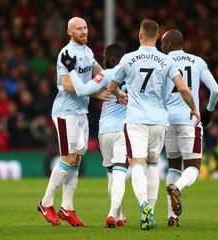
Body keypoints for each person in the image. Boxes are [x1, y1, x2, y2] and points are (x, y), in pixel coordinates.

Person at [107, 19, 200, 230]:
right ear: (157, 38)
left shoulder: (128, 59)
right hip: (160, 121)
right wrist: (193, 108)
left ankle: (143, 206)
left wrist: (120, 93)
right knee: (152, 165)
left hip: (136, 120)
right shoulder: (166, 61)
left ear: (140, 35)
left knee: (137, 164)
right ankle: (150, 210)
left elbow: (112, 86)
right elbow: (183, 89)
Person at [37, 17, 105, 227]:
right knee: (67, 157)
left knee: (76, 159)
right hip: (65, 112)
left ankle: (67, 207)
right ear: (69, 32)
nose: (84, 31)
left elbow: (100, 73)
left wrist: (114, 89)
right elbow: (67, 85)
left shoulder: (88, 52)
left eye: (85, 27)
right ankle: (46, 203)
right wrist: (96, 93)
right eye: (79, 29)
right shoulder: (66, 54)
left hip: (81, 112)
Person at [161, 29, 218, 227]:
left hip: (167, 121)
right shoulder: (197, 62)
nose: (161, 47)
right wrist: (209, 111)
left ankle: (172, 217)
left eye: (163, 43)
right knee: (193, 167)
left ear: (169, 44)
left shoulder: (161, 62)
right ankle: (177, 188)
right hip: (189, 119)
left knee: (174, 166)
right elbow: (215, 90)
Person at [95, 43, 128, 228]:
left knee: (111, 176)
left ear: (113, 58)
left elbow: (84, 89)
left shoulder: (106, 75)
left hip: (105, 131)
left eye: (105, 55)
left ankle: (119, 215)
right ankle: (111, 214)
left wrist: (98, 94)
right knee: (120, 175)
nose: (103, 58)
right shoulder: (132, 75)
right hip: (123, 131)